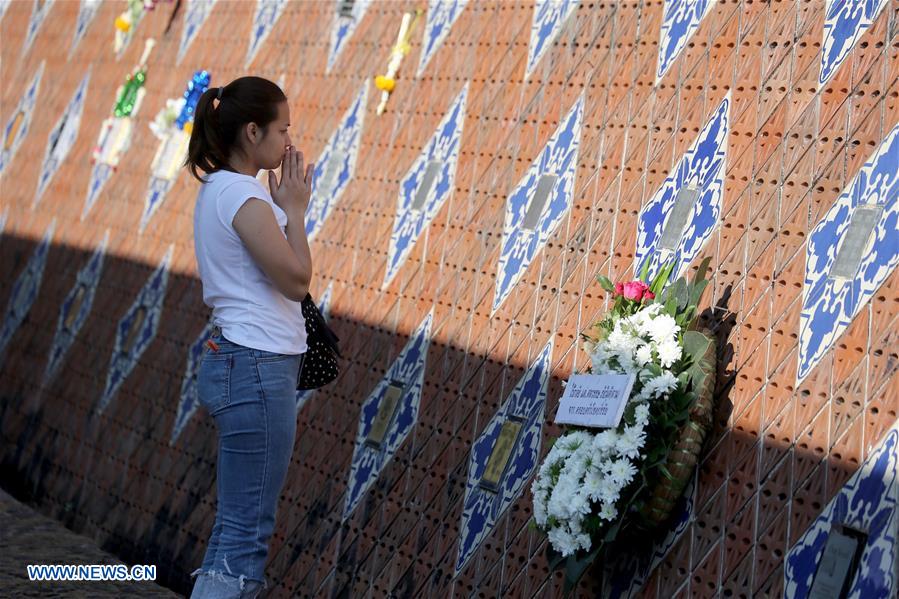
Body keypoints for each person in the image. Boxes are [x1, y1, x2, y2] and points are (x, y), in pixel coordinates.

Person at [184, 76, 314, 598]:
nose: (289, 142)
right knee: (245, 536)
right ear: (251, 131)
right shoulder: (242, 195)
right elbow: (296, 280)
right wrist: (297, 213)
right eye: (282, 129)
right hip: (255, 367)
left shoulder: (222, 190)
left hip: (241, 363)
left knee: (233, 531)